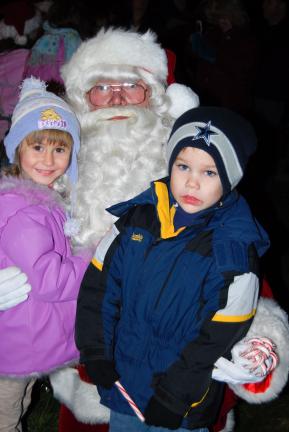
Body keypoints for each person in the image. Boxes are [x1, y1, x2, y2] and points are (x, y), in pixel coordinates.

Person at [0, 28, 288, 432]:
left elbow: (240, 273)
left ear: (157, 96)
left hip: (179, 380)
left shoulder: (196, 182)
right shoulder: (53, 179)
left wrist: (262, 344)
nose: (116, 99)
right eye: (100, 88)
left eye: (132, 86)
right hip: (85, 376)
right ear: (82, 102)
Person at [75, 106, 270, 432]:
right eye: (183, 166)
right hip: (124, 383)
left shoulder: (233, 250)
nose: (192, 182)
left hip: (181, 402)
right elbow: (98, 289)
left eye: (209, 173)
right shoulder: (135, 222)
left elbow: (219, 335)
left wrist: (176, 395)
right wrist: (95, 350)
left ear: (230, 178)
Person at [0, 76, 89, 432]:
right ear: (17, 149)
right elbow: (50, 281)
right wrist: (92, 257)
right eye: (37, 147)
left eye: (60, 149)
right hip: (15, 342)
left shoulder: (47, 198)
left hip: (28, 339)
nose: (49, 160)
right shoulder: (24, 210)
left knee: (18, 402)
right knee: (5, 414)